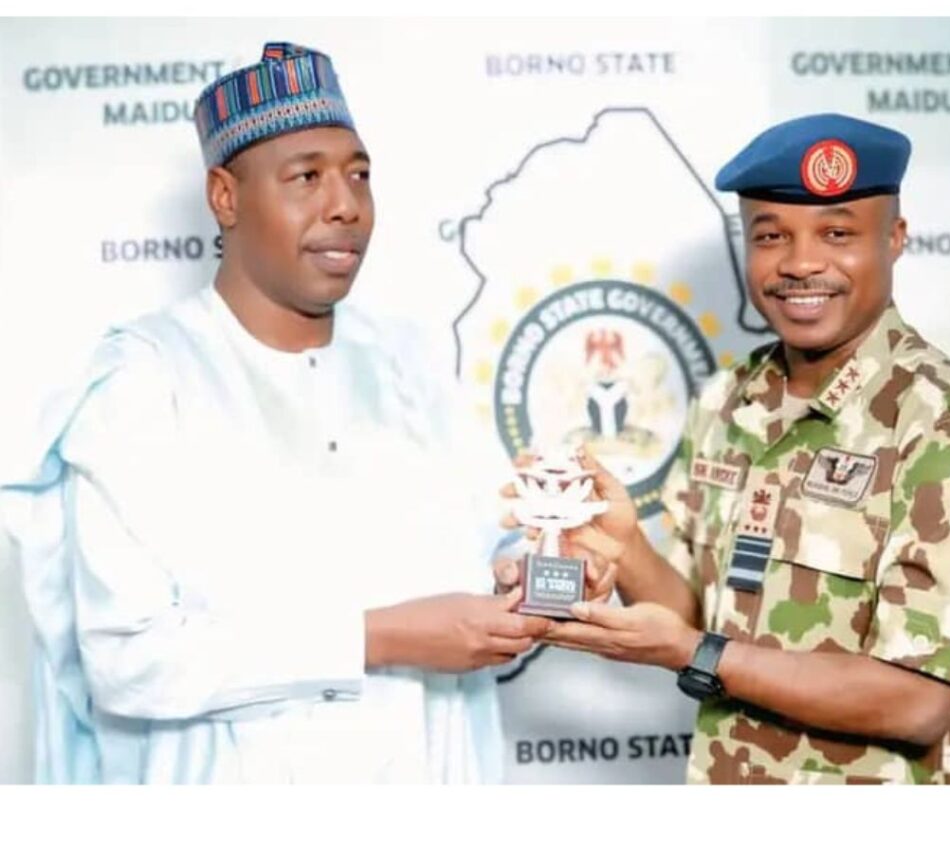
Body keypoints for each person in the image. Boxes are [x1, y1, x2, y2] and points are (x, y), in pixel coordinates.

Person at [1, 41, 550, 784]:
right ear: (225, 197)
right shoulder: (144, 382)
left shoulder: (409, 365)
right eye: (307, 177)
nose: (346, 205)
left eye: (359, 175)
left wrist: (532, 575)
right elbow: (129, 660)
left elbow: (493, 545)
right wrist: (378, 637)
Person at [501, 113, 950, 784]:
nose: (800, 263)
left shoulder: (949, 423)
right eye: (771, 235)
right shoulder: (727, 399)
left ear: (894, 238)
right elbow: (697, 615)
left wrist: (695, 653)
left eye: (837, 234)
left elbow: (918, 701)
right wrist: (620, 546)